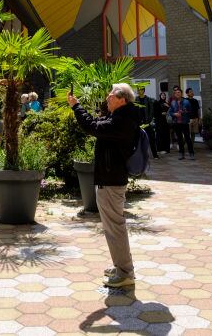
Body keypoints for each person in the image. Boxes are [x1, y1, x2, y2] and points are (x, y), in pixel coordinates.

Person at [68, 83, 141, 289]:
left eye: (110, 95)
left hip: (111, 181)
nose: (107, 98)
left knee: (115, 227)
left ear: (121, 99)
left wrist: (76, 107)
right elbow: (96, 122)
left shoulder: (122, 121)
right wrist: (78, 106)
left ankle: (126, 272)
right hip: (109, 179)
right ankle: (121, 267)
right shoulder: (119, 117)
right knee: (112, 227)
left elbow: (91, 127)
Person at [168, 89, 195, 160]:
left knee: (187, 138)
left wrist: (186, 112)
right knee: (179, 139)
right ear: (174, 94)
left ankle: (191, 154)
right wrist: (174, 114)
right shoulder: (173, 102)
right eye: (176, 93)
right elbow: (170, 112)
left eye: (179, 92)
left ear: (181, 93)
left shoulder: (186, 102)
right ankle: (181, 154)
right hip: (176, 123)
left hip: (185, 122)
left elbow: (191, 111)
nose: (177, 94)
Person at [136, 87, 159, 158]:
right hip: (139, 123)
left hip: (147, 122)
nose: (139, 91)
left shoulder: (148, 99)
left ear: (143, 91)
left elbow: (151, 111)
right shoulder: (135, 100)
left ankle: (155, 155)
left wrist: (149, 121)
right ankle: (141, 155)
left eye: (141, 90)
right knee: (139, 140)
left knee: (151, 138)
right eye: (138, 90)